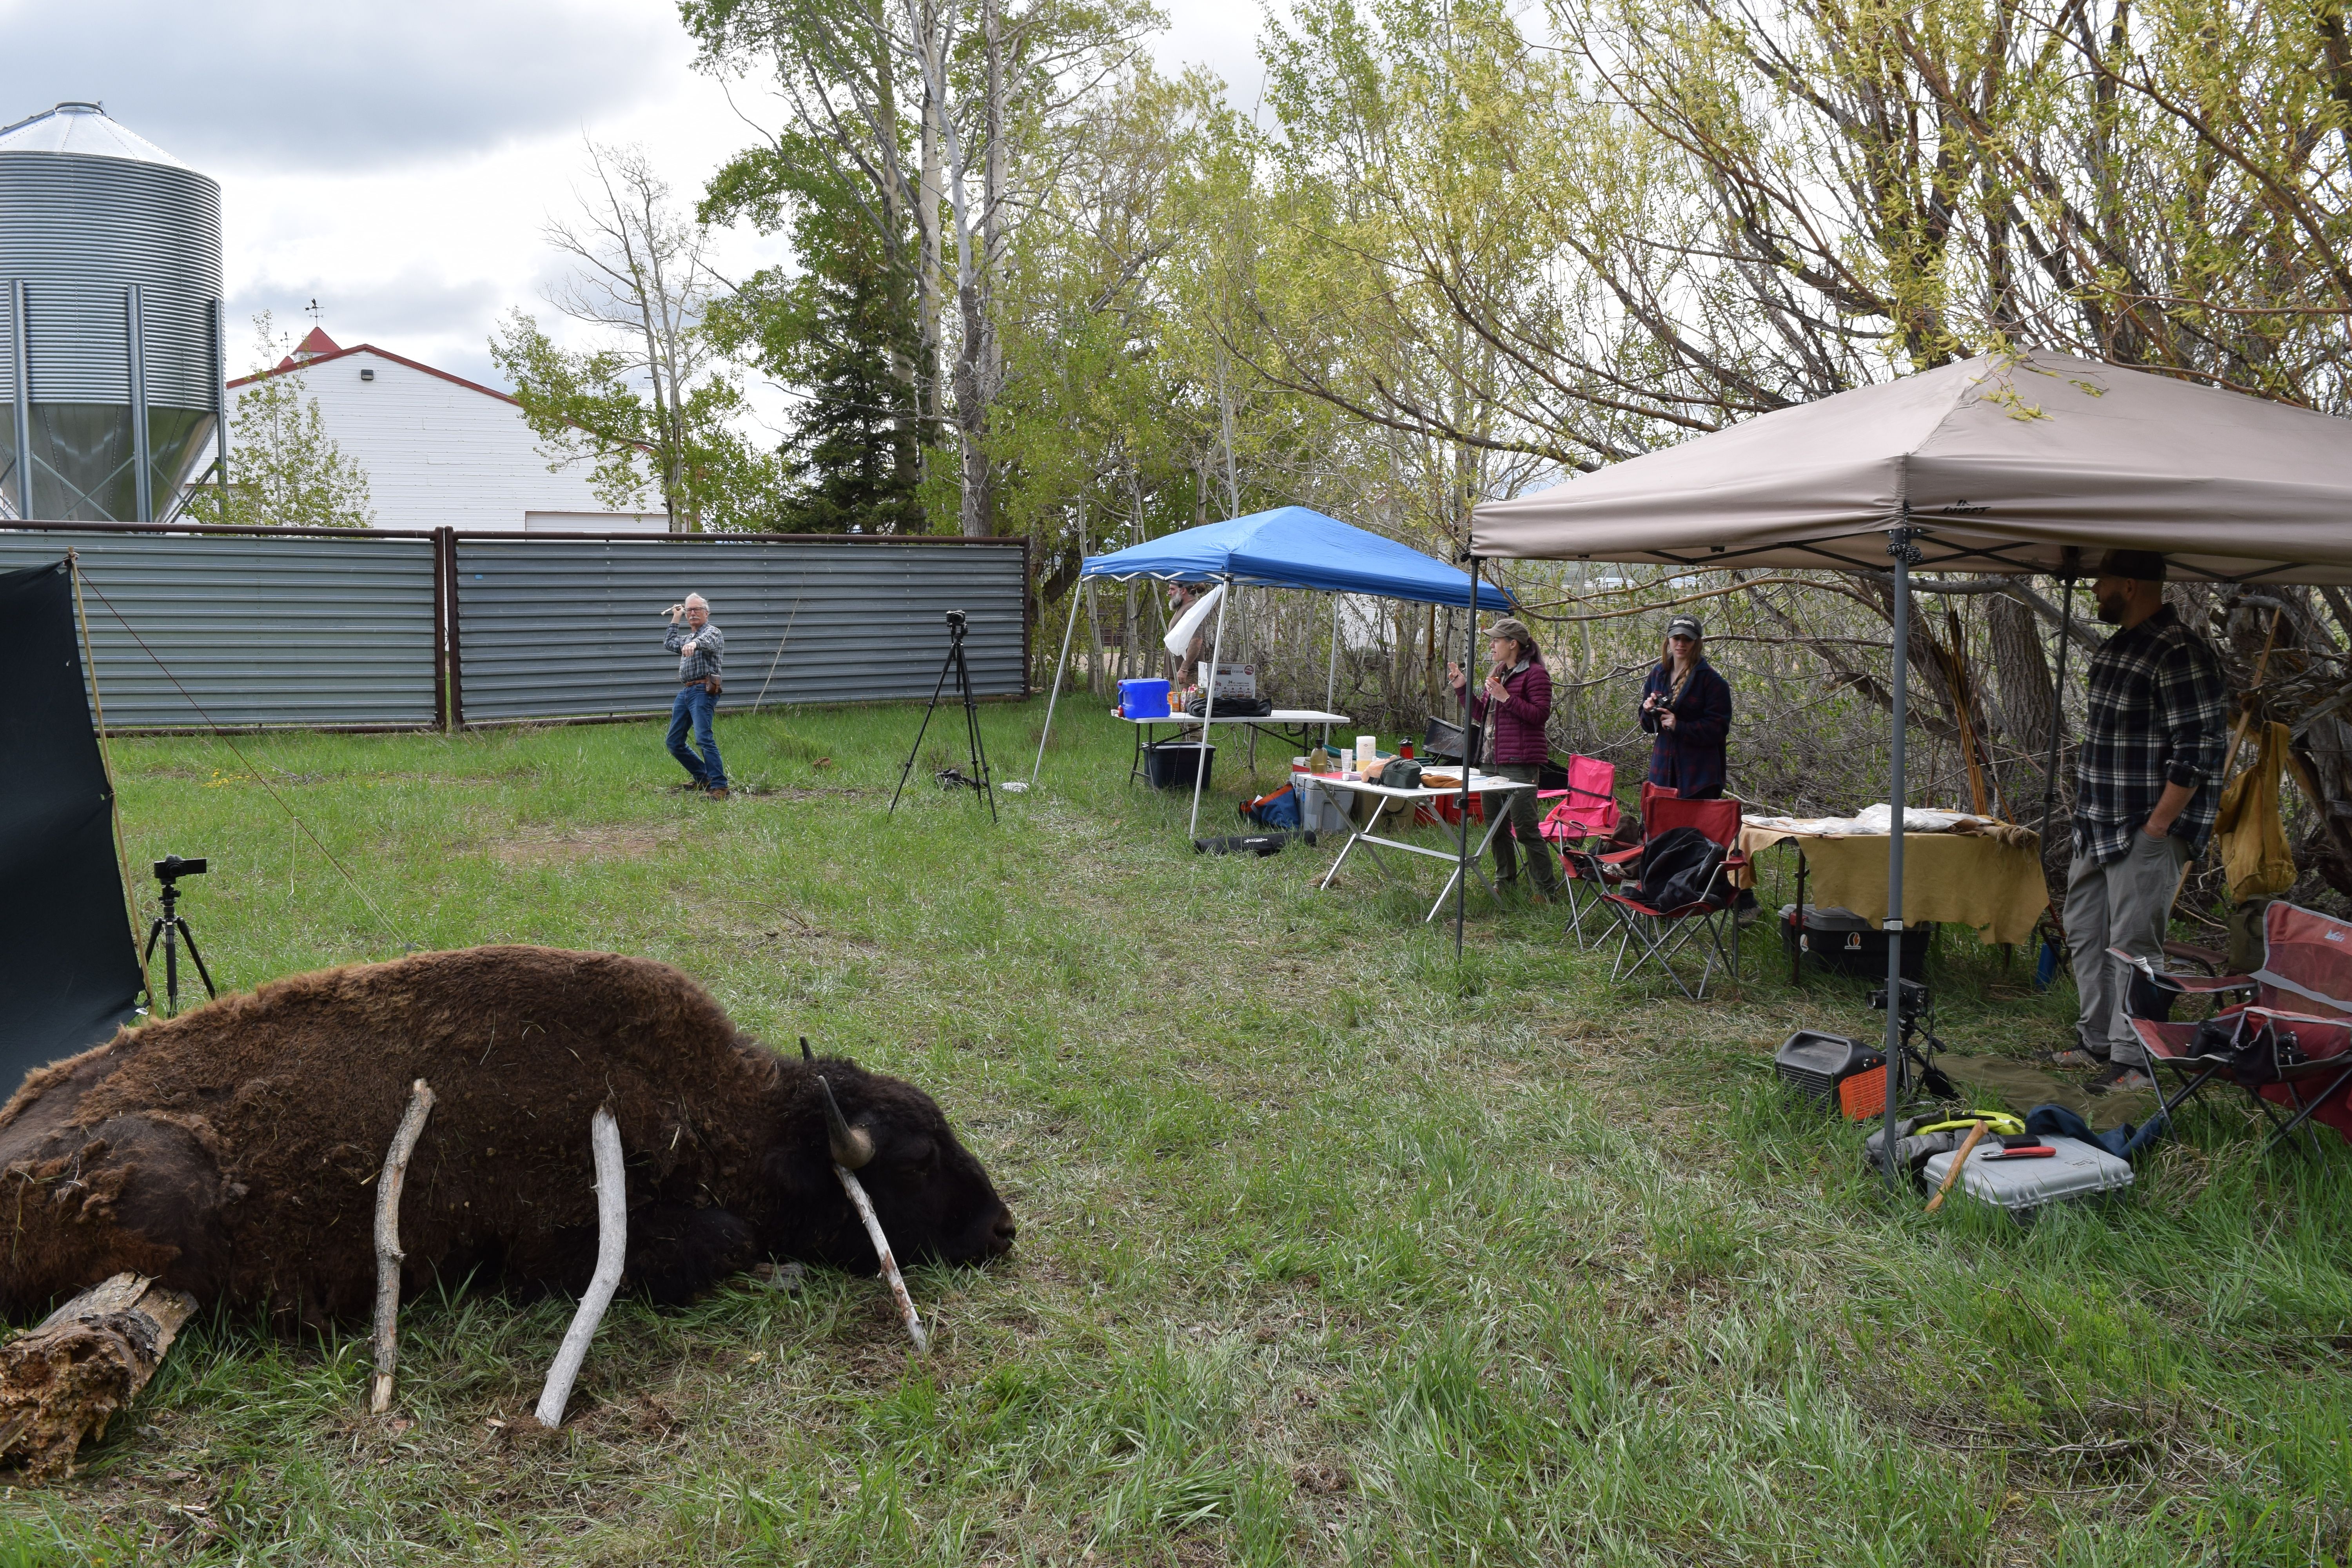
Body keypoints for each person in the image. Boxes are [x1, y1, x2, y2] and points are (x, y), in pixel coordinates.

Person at [2060, 550, 2227, 1094]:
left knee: (2135, 948)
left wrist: (2157, 829)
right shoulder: (2121, 645)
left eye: (2102, 581)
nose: (2094, 590)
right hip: (2097, 824)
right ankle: (2097, 1044)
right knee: (2086, 934)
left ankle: (2134, 1062)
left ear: (2129, 585)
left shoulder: (2180, 652)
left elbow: (2199, 751)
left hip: (2140, 828)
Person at [1448, 617, 1561, 903]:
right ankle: (1505, 881)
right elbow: (1481, 715)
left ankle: (1546, 891)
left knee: (1525, 829)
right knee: (1496, 828)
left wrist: (1507, 698)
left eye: (1496, 640)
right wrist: (1462, 688)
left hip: (1520, 764)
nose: (1491, 644)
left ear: (1513, 644)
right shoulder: (1498, 671)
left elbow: (1539, 716)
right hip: (1490, 762)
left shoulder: (1536, 675)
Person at [1638, 614, 1733, 799]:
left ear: (1697, 642)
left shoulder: (1712, 682)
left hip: (1698, 776)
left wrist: (1679, 726)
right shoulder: (1658, 674)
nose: (1681, 644)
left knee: (1693, 828)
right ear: (1669, 640)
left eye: (1687, 639)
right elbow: (1647, 725)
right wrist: (1648, 711)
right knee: (1660, 826)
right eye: (1677, 638)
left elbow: (1719, 728)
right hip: (1662, 771)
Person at [663, 593, 728, 800]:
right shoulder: (687, 637)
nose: (692, 614)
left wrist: (694, 645)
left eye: (697, 610)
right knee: (674, 742)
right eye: (689, 610)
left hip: (703, 690)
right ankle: (703, 778)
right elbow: (670, 642)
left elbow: (706, 641)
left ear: (706, 613)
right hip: (687, 692)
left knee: (703, 738)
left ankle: (720, 787)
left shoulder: (713, 632)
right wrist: (676, 616)